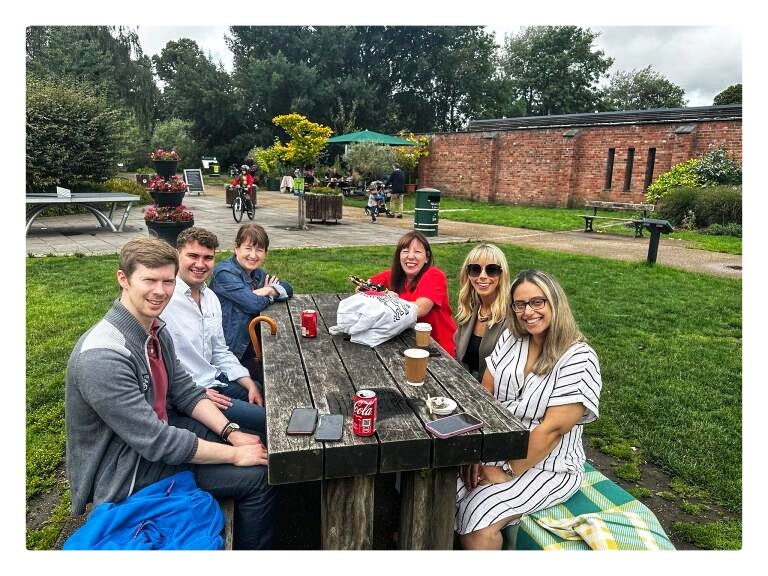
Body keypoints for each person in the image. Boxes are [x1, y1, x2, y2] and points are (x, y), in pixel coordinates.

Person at [65, 236, 276, 549]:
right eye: (149, 280)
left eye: (167, 281)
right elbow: (156, 441)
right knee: (258, 478)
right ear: (122, 278)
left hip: (154, 445)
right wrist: (234, 453)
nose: (160, 291)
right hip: (128, 474)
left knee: (251, 435)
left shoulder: (154, 329)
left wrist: (230, 431)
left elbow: (187, 392)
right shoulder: (102, 356)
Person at [455, 269, 602, 550]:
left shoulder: (578, 357)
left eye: (537, 302)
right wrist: (477, 450)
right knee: (446, 484)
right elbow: (485, 395)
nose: (528, 312)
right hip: (498, 447)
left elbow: (553, 429)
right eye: (520, 305)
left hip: (548, 464)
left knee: (479, 513)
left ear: (554, 303)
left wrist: (507, 470)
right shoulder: (512, 339)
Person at [161, 227, 266, 437]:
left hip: (214, 380)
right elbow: (157, 364)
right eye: (193, 256)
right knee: (267, 420)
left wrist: (247, 382)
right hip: (189, 393)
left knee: (261, 389)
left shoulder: (210, 298)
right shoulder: (164, 300)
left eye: (208, 258)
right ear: (177, 255)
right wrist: (193, 393)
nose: (200, 264)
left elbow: (219, 350)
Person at [209, 223, 293, 379]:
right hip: (229, 356)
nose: (253, 255)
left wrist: (268, 290)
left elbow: (287, 288)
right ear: (237, 248)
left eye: (259, 250)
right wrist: (269, 293)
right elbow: (253, 303)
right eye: (248, 248)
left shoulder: (256, 273)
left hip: (252, 348)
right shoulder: (224, 273)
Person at [369, 231, 457, 357]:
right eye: (405, 251)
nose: (410, 256)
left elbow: (420, 309)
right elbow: (363, 288)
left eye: (417, 252)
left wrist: (391, 302)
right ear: (399, 256)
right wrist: (380, 295)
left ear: (426, 257)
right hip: (409, 346)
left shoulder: (434, 275)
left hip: (441, 351)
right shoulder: (394, 276)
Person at [453, 244, 511, 381]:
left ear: (502, 274)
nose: (482, 276)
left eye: (491, 270)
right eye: (475, 269)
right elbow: (459, 357)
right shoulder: (470, 309)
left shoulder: (511, 316)